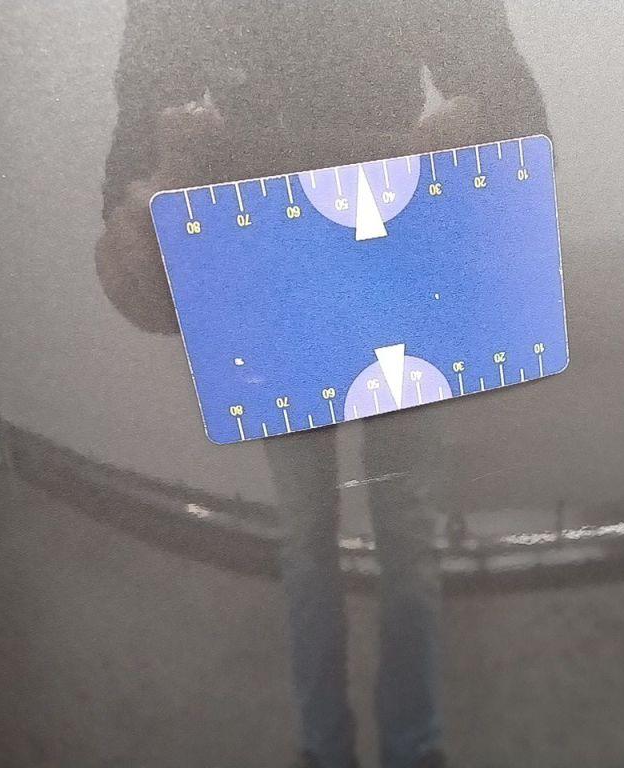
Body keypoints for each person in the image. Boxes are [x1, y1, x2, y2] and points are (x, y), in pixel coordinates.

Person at [97, 2, 547, 766]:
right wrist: (143, 189)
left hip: (358, 233)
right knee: (338, 533)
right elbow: (139, 118)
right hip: (297, 241)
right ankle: (358, 749)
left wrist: (491, 130)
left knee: (364, 532)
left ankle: (387, 748)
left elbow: (502, 84)